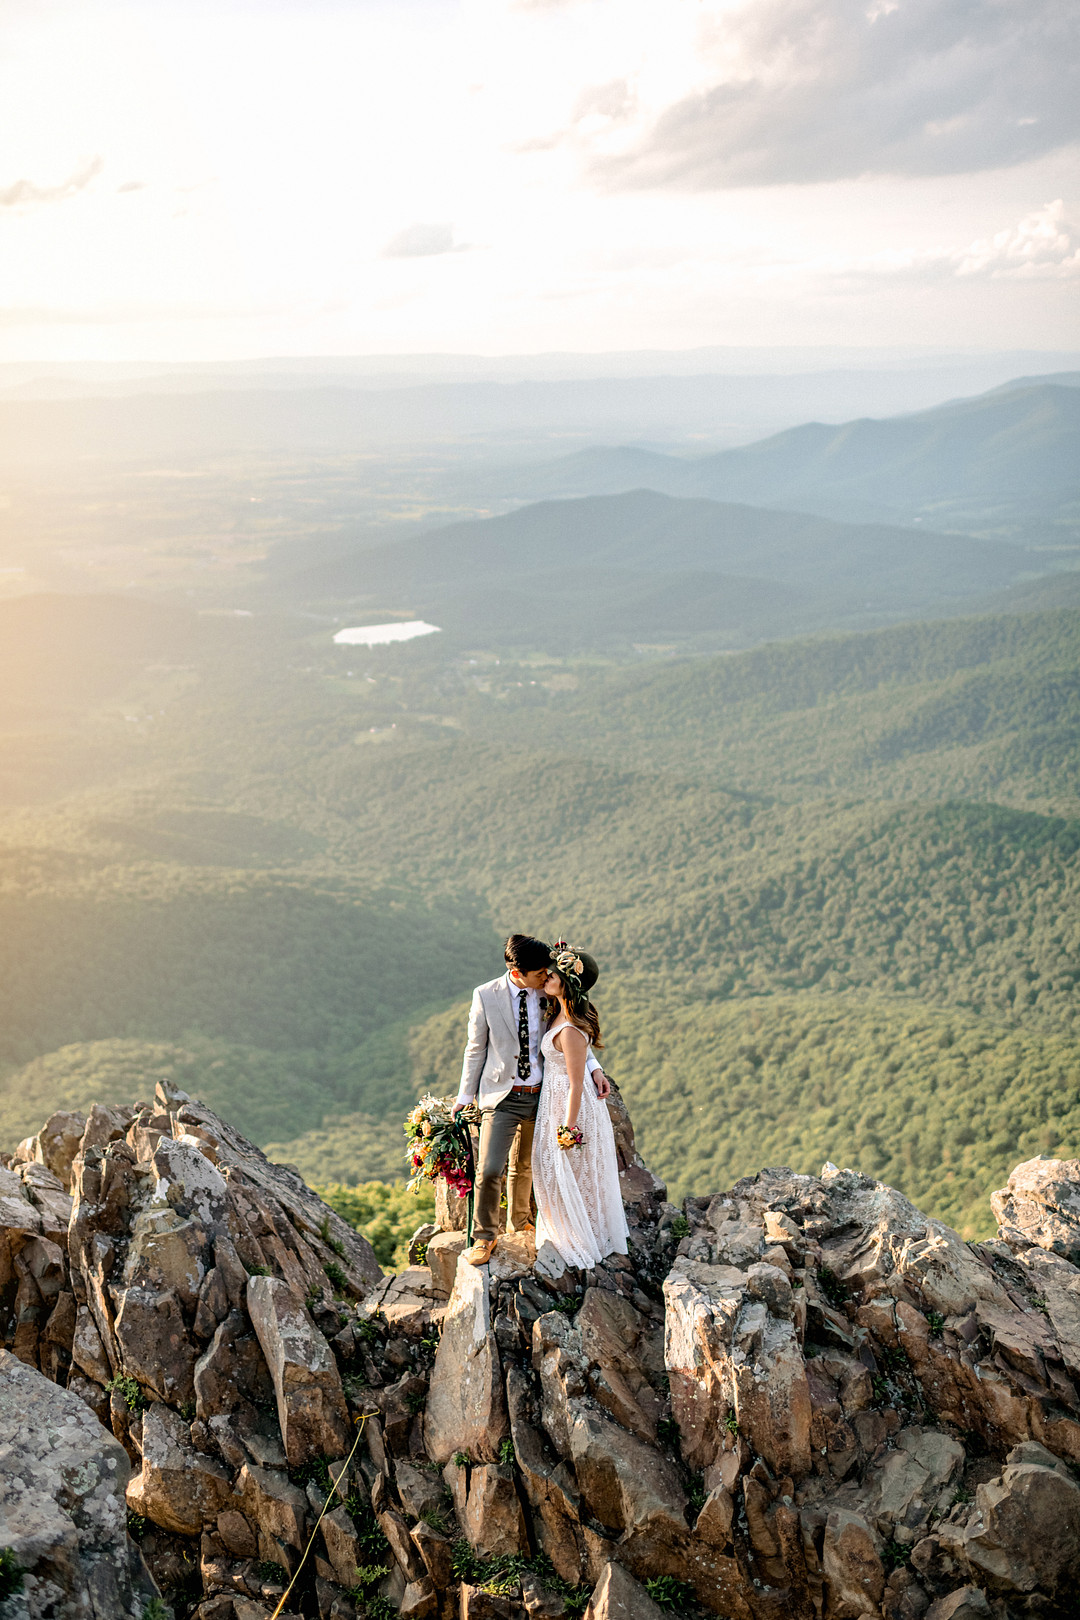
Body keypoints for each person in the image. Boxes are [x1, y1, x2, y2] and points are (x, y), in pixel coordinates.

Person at [453, 933, 609, 1266]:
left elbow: (573, 1024)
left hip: (543, 1095)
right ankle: (484, 1238)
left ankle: (520, 1222)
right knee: (490, 1168)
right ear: (517, 973)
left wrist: (594, 1066)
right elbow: (476, 1047)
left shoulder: (547, 987)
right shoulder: (485, 995)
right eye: (539, 973)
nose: (546, 976)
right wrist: (466, 1095)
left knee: (526, 1165)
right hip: (502, 1095)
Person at [532, 943, 628, 1270]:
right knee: (557, 1171)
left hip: (569, 1104)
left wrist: (568, 1129)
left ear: (568, 984)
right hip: (555, 1099)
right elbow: (584, 1060)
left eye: (554, 975)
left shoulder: (570, 1029)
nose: (547, 978)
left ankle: (580, 1236)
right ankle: (570, 1230)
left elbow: (575, 1082)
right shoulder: (558, 1012)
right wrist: (595, 1067)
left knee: (567, 1167)